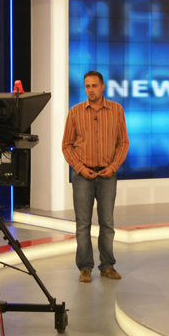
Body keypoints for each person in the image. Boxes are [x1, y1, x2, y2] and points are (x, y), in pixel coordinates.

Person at [61, 70, 130, 283]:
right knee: (83, 224)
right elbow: (66, 145)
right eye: (87, 86)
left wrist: (114, 166)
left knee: (107, 223)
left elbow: (123, 143)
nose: (90, 90)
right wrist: (80, 168)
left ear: (102, 87)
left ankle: (107, 266)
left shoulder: (116, 110)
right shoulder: (75, 112)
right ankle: (85, 268)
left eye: (94, 86)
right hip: (83, 175)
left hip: (108, 174)